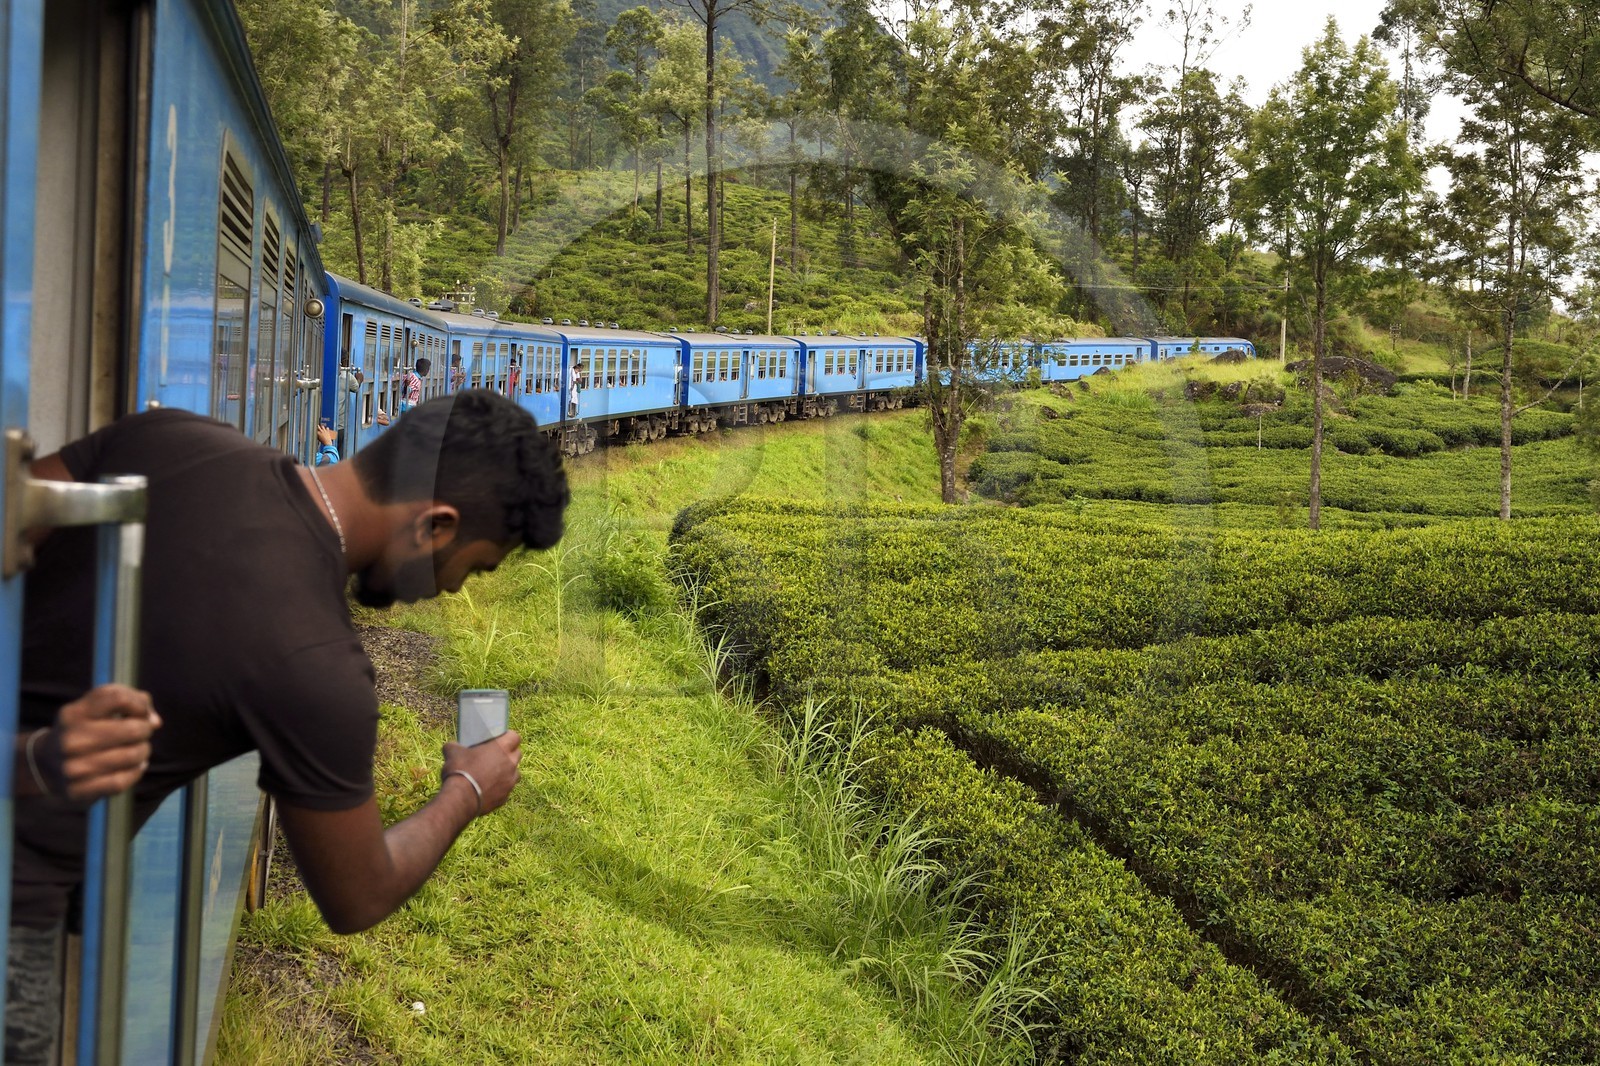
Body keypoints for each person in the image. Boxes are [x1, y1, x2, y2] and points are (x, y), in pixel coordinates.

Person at [10, 390, 568, 1065]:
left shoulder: (171, 439)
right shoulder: (318, 671)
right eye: (473, 567)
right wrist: (467, 790)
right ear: (435, 526)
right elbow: (356, 897)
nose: (452, 590)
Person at [335, 355, 364, 454]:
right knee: (338, 452)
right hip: (340, 426)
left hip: (323, 426)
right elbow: (356, 388)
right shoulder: (347, 376)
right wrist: (359, 379)